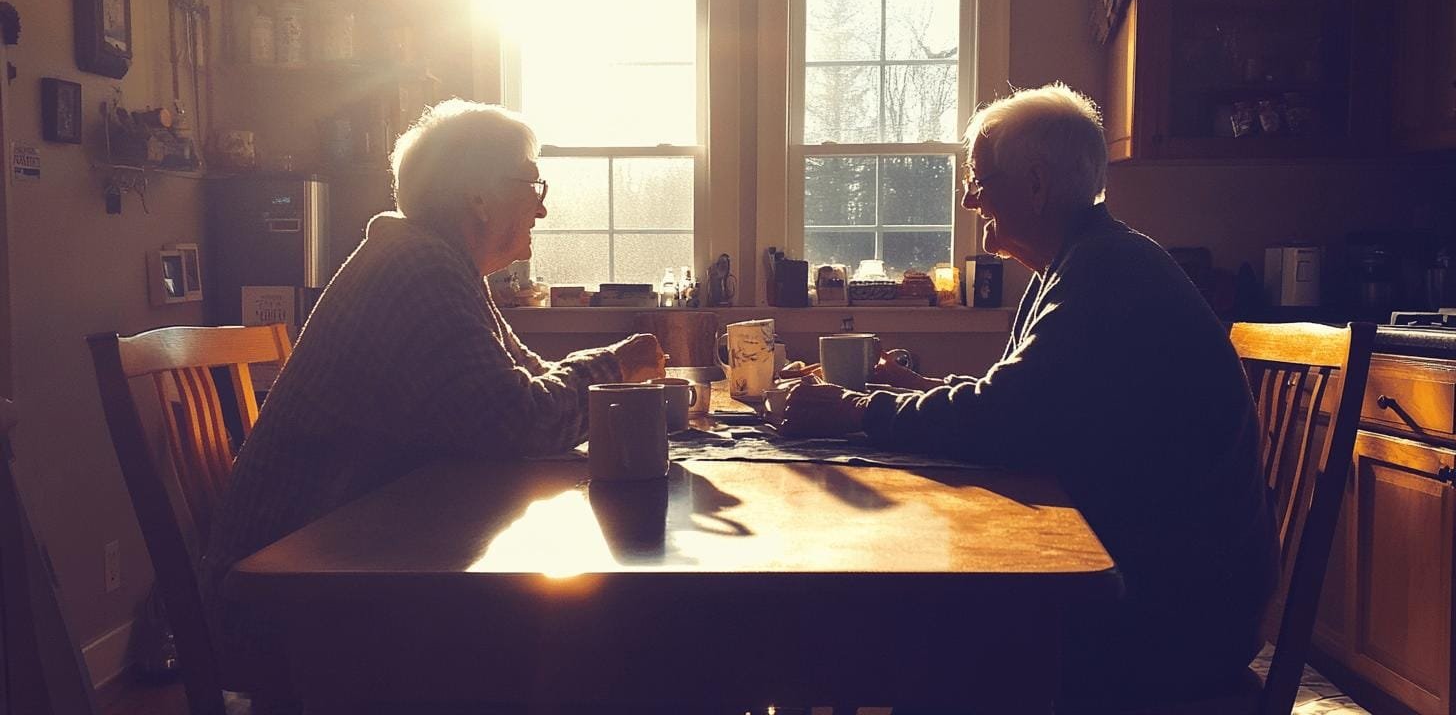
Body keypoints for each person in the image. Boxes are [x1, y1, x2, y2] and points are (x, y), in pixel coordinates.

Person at [781, 83, 1277, 709]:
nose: (967, 197)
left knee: (906, 629)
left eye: (979, 181)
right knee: (913, 614)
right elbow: (1029, 402)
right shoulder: (1077, 264)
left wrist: (856, 410)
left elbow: (1003, 419)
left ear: (1037, 185)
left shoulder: (1104, 274)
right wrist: (921, 389)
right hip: (1165, 581)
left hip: (1167, 616)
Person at [200, 100, 665, 675]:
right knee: (602, 635)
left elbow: (525, 385)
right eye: (532, 183)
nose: (542, 207)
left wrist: (602, 372)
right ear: (478, 197)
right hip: (293, 603)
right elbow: (519, 422)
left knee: (575, 619)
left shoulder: (436, 261)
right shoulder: (419, 269)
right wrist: (613, 368)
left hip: (348, 565)